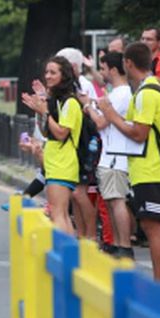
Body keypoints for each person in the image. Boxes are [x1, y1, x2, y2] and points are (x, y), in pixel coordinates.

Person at [97, 42, 160, 285]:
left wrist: (111, 116)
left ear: (129, 63)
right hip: (147, 170)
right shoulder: (147, 90)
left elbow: (138, 133)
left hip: (152, 170)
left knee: (156, 230)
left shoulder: (146, 94)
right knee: (154, 229)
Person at [80, 51, 134, 259]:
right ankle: (118, 243)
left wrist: (87, 107)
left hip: (115, 156)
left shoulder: (122, 94)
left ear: (112, 69)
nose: (101, 73)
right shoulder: (116, 93)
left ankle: (124, 245)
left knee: (117, 201)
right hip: (109, 155)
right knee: (111, 201)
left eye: (102, 69)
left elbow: (102, 122)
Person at [21, 56, 83, 236]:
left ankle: (66, 255)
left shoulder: (71, 103)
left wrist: (45, 111)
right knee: (60, 213)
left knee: (58, 214)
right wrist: (41, 110)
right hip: (55, 162)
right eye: (46, 72)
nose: (47, 76)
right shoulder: (59, 102)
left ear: (64, 76)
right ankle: (69, 256)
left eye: (53, 72)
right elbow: (47, 132)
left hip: (63, 164)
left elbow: (62, 133)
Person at [55, 48, 101, 240]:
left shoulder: (83, 85)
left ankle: (90, 236)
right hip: (73, 144)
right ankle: (82, 234)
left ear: (72, 67)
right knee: (76, 194)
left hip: (84, 143)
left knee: (79, 193)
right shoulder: (68, 86)